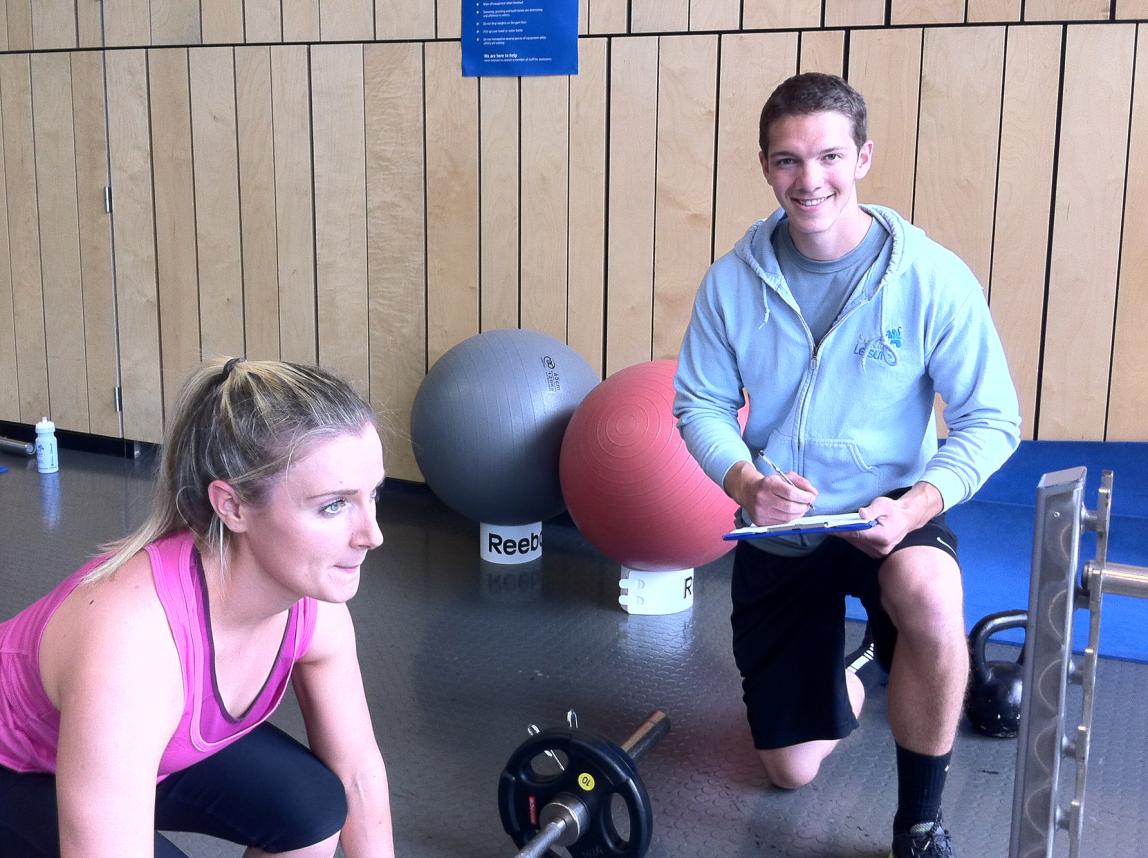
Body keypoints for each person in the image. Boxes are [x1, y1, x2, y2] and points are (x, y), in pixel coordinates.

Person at [673, 73, 1021, 858]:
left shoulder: (931, 278)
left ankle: (920, 823)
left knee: (928, 592)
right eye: (788, 161)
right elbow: (696, 403)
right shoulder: (732, 283)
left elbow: (993, 420)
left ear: (862, 157)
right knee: (789, 773)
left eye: (828, 156)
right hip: (783, 525)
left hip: (887, 513)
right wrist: (745, 483)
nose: (810, 180)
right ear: (766, 168)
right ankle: (859, 675)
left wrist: (918, 506)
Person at [0, 358, 395, 858]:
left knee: (312, 810)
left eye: (373, 494)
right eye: (333, 505)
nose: (372, 535)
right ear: (231, 506)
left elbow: (358, 775)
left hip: (123, 751)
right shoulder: (135, 645)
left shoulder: (314, 606)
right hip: (14, 770)